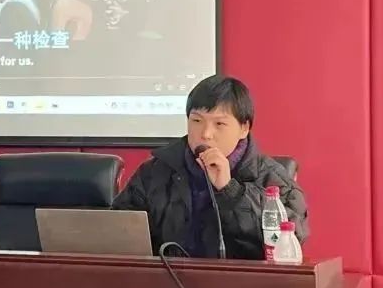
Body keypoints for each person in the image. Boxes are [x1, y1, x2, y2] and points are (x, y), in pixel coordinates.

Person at [112, 75, 309, 259]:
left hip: (240, 283)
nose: (205, 134)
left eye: (219, 124)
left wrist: (231, 190)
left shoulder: (271, 178)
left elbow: (292, 240)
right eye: (197, 121)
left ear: (244, 128)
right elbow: (118, 231)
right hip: (165, 281)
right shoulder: (155, 172)